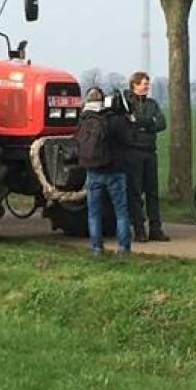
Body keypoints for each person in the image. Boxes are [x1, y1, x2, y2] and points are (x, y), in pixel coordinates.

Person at [77, 87, 131, 255]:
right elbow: (127, 140)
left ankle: (96, 248)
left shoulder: (84, 119)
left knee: (94, 213)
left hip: (93, 171)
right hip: (115, 170)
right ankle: (123, 248)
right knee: (121, 211)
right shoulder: (113, 119)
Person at [123, 71, 169, 242]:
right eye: (144, 84)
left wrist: (142, 124)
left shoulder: (152, 104)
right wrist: (148, 122)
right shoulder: (128, 103)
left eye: (148, 84)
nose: (147, 87)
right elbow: (128, 123)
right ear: (134, 85)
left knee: (152, 192)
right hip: (133, 152)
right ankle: (139, 229)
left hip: (150, 151)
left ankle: (156, 228)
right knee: (135, 192)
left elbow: (161, 123)